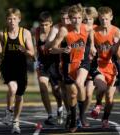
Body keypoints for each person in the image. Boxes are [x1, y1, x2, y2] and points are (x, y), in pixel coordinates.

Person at [51, 4, 96, 133]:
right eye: (73, 18)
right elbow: (52, 49)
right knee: (72, 94)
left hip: (83, 62)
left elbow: (91, 31)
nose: (76, 20)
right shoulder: (64, 31)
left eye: (78, 18)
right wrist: (62, 49)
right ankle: (72, 116)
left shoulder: (86, 27)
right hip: (68, 64)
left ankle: (81, 115)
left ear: (82, 18)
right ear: (70, 19)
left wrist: (92, 45)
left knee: (79, 83)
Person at [0, 8, 34, 134]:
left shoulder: (25, 33)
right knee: (12, 88)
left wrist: (25, 51)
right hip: (8, 67)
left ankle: (16, 122)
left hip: (21, 68)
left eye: (14, 19)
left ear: (19, 19)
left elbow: (32, 53)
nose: (12, 21)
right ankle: (8, 111)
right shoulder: (3, 33)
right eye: (9, 19)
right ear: (6, 20)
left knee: (19, 96)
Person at [91, 6, 120, 128]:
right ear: (98, 18)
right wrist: (92, 49)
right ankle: (98, 104)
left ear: (111, 18)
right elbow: (89, 49)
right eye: (102, 19)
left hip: (112, 67)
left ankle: (105, 119)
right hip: (98, 66)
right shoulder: (94, 32)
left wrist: (116, 44)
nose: (104, 21)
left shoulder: (117, 32)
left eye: (106, 19)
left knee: (109, 97)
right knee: (102, 87)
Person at [35, 11, 64, 125]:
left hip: (55, 64)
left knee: (56, 90)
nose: (44, 27)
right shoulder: (36, 32)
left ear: (51, 24)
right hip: (43, 64)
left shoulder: (55, 33)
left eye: (46, 25)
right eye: (42, 25)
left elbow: (58, 47)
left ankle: (60, 106)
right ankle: (50, 115)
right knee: (43, 87)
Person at [45, 6, 71, 125]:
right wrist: (57, 40)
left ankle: (73, 112)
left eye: (67, 18)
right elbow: (47, 46)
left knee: (73, 89)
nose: (65, 21)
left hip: (74, 61)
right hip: (56, 61)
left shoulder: (75, 26)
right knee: (60, 90)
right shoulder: (56, 28)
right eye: (63, 19)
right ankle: (67, 110)